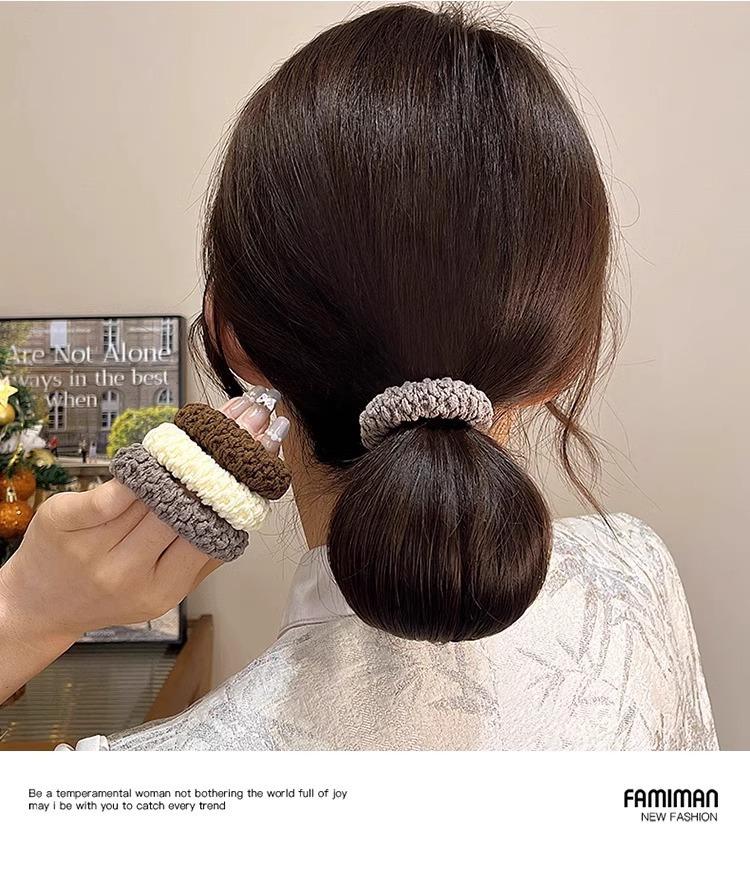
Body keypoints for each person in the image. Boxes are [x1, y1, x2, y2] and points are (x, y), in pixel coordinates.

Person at [0, 4, 717, 750]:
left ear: (230, 332)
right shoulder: (637, 581)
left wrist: (25, 610)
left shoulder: (121, 798)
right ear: (561, 362)